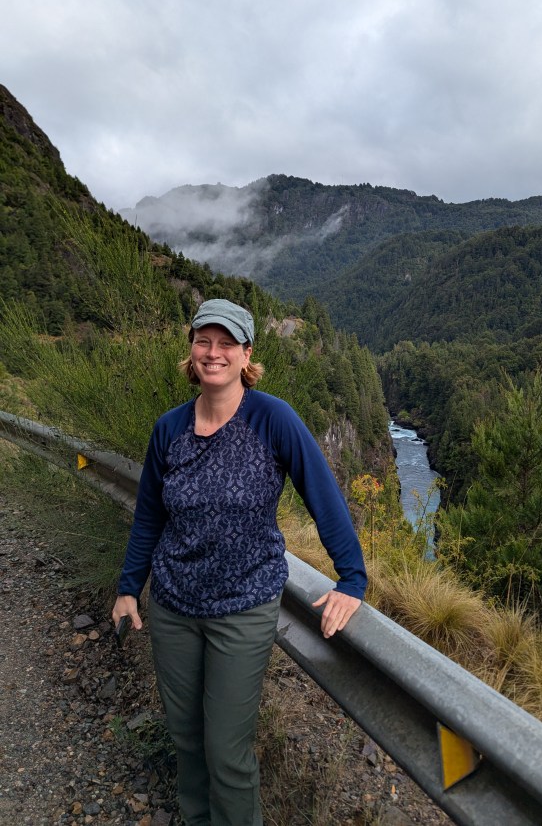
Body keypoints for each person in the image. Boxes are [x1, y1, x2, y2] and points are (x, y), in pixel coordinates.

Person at [111, 298, 366, 826]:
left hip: (243, 608)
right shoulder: (169, 429)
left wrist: (353, 579)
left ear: (247, 353)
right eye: (204, 340)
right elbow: (149, 518)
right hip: (174, 606)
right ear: (191, 350)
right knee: (185, 738)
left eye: (226, 343)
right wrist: (129, 587)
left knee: (226, 750)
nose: (213, 353)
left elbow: (322, 495)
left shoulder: (272, 419)